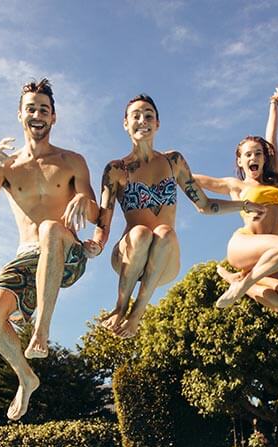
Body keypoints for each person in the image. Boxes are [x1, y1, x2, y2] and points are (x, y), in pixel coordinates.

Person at [0, 79, 100, 421]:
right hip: (26, 256)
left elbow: (95, 210)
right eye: (31, 108)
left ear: (54, 117)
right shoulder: (8, 166)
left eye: (44, 109)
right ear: (20, 115)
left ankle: (41, 329)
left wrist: (81, 199)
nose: (37, 114)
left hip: (67, 251)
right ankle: (26, 376)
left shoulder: (72, 161)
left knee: (49, 228)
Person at [91, 94, 267, 337]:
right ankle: (120, 308)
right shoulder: (115, 170)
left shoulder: (173, 161)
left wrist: (244, 205)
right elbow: (104, 219)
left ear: (157, 124)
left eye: (149, 116)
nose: (143, 120)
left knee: (163, 232)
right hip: (127, 256)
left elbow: (204, 205)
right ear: (125, 124)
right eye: (136, 116)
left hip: (164, 260)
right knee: (141, 232)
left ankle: (137, 313)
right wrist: (96, 244)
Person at [192, 84, 278, 315]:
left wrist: (274, 104)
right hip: (244, 245)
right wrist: (167, 168)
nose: (254, 157)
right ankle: (245, 283)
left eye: (258, 153)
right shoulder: (235, 185)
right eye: (248, 154)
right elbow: (197, 180)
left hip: (265, 258)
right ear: (240, 161)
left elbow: (272, 136)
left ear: (265, 158)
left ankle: (239, 281)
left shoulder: (272, 180)